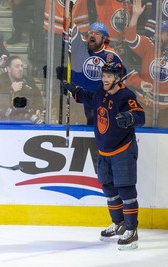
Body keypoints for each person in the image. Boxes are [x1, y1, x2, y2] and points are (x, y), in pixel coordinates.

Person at [63, 61, 145, 250]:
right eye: (104, 75)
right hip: (104, 151)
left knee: (126, 191)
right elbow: (88, 96)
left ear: (118, 78)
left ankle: (132, 230)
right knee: (108, 189)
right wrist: (73, 89)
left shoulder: (126, 96)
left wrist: (129, 118)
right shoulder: (101, 91)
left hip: (123, 150)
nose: (105, 79)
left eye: (109, 76)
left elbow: (139, 115)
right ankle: (119, 224)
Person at [69, 21, 126, 125]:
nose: (92, 35)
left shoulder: (112, 56)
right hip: (77, 96)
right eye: (90, 32)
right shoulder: (81, 46)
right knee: (78, 125)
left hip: (99, 101)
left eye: (97, 33)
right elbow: (72, 29)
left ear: (104, 38)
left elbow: (121, 79)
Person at [124, 0, 168, 126]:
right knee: (142, 136)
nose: (159, 35)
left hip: (166, 108)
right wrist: (135, 16)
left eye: (163, 33)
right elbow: (130, 38)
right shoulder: (149, 45)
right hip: (145, 103)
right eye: (158, 32)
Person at [0, 55, 44, 123]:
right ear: (8, 69)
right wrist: (11, 89)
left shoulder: (28, 80)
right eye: (17, 66)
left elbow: (37, 96)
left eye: (21, 66)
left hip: (23, 119)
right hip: (2, 119)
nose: (20, 69)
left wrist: (38, 108)